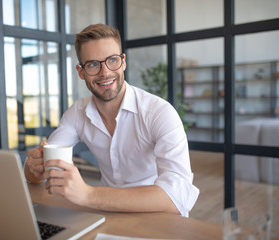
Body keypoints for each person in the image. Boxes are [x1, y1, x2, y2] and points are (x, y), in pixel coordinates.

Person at [24, 23, 199, 217]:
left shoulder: (159, 112)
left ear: (123, 62)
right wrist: (33, 168)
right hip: (106, 213)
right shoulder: (77, 112)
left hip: (155, 214)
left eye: (112, 60)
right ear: (81, 72)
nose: (105, 72)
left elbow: (177, 196)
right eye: (92, 64)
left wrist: (88, 194)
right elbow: (44, 167)